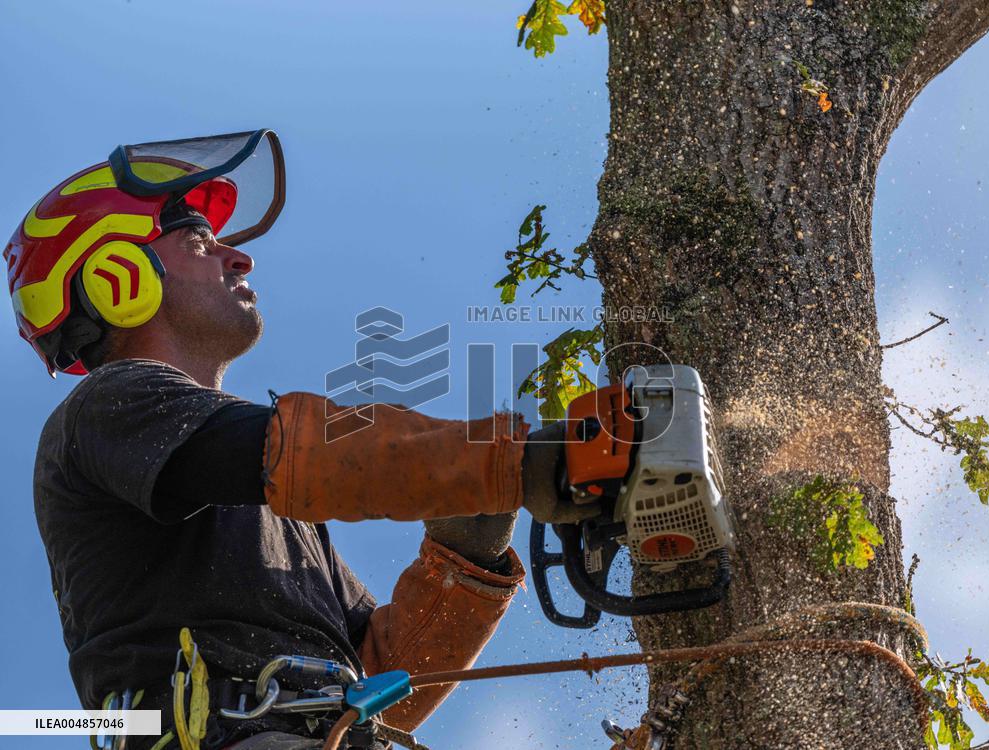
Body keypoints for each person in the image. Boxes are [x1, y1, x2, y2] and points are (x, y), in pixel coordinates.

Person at [6, 130, 589, 750]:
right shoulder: (108, 407)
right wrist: (509, 463)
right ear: (119, 278)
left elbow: (383, 670)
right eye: (199, 240)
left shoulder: (269, 496)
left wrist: (470, 554)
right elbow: (295, 452)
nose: (240, 258)